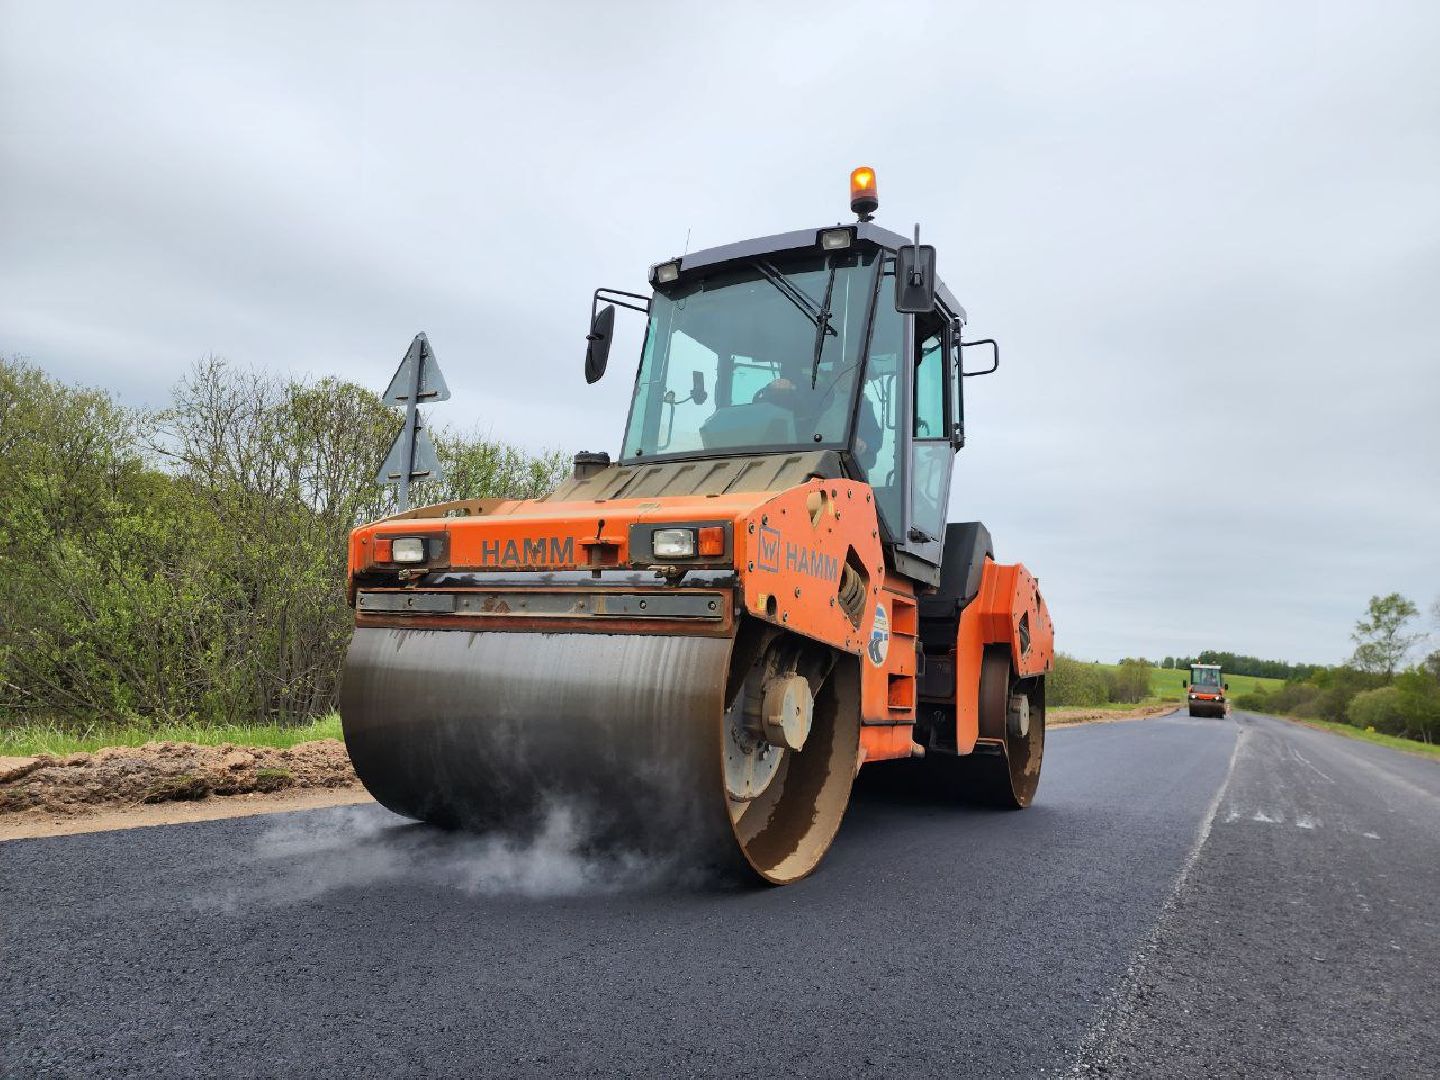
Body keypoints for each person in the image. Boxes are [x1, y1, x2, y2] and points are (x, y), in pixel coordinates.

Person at [751, 367, 882, 471]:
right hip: (808, 464)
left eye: (867, 379)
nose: (865, 382)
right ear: (844, 370)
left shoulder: (862, 403)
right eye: (863, 377)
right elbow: (790, 401)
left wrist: (865, 444)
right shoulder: (818, 389)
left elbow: (875, 436)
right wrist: (773, 388)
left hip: (847, 470)